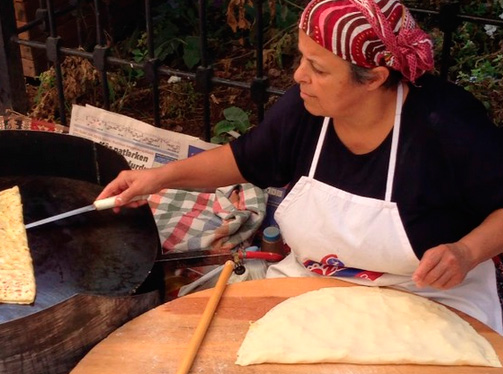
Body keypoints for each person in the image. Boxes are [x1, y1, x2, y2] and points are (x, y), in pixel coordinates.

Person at [97, 0, 503, 333]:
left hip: (429, 297)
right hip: (318, 284)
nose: (298, 76)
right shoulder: (305, 110)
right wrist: (155, 179)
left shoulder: (447, 126)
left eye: (319, 68)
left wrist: (466, 252)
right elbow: (243, 159)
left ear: (375, 78)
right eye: (302, 59)